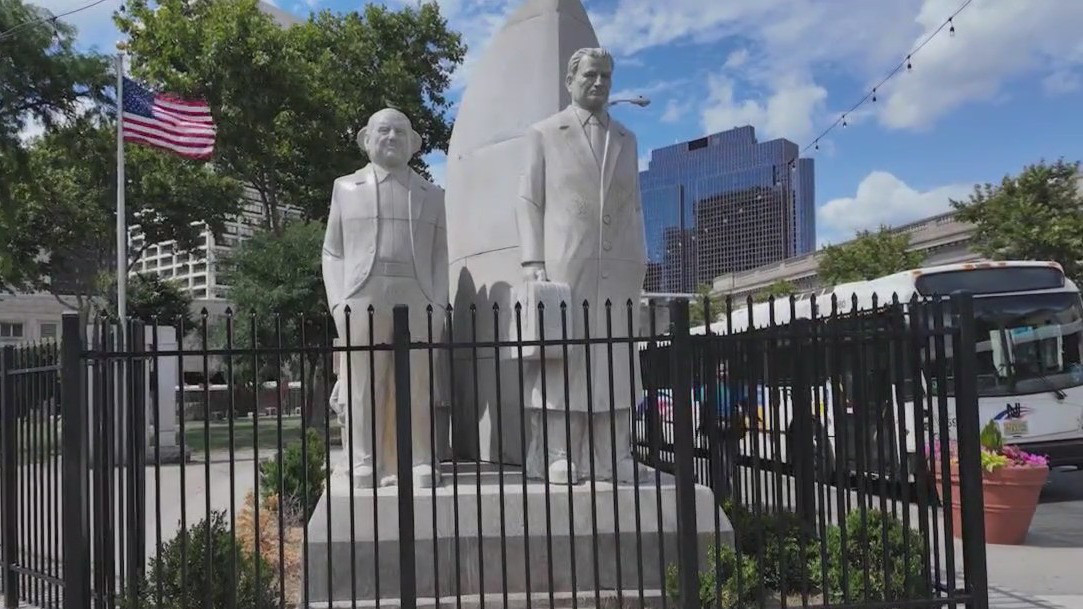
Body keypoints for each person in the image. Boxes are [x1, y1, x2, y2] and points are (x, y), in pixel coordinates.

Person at [517, 48, 648, 484]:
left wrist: (640, 261)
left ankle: (615, 455)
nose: (599, 83)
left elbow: (636, 209)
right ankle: (559, 453)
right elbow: (529, 200)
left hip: (618, 270)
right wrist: (533, 259)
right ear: (570, 80)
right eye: (591, 75)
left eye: (606, 77)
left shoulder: (627, 139)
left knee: (615, 363)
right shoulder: (544, 133)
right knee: (564, 367)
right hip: (564, 267)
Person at [322, 108, 448, 489]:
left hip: (418, 293)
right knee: (363, 382)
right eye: (383, 130)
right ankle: (365, 460)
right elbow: (332, 251)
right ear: (367, 139)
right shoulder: (345, 188)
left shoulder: (433, 194)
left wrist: (438, 303)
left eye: (400, 131)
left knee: (418, 382)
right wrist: (337, 301)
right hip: (363, 294)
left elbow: (442, 255)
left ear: (412, 143)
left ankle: (420, 460)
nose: (391, 137)